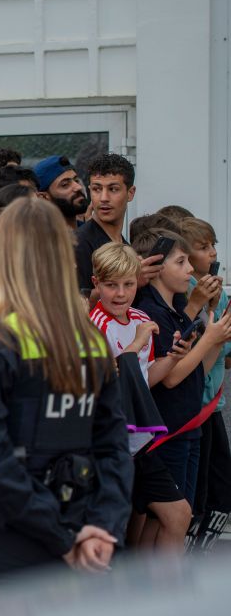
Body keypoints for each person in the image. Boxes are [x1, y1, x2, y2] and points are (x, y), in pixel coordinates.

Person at [0, 198, 132, 590]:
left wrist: (61, 538)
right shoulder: (91, 341)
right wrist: (99, 528)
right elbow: (114, 447)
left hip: (6, 536)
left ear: (3, 257)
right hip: (80, 533)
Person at [88, 242, 190, 552]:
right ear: (96, 284)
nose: (120, 293)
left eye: (128, 284)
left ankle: (162, 595)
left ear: (138, 282)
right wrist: (138, 341)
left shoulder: (139, 317)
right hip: (106, 446)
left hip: (140, 444)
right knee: (112, 536)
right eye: (111, 285)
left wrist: (172, 357)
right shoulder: (94, 325)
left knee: (178, 514)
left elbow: (143, 380)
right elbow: (113, 376)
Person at [132, 228, 231, 505]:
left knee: (183, 514)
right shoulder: (153, 313)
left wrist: (216, 340)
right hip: (168, 432)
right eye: (180, 262)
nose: (190, 269)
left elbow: (196, 370)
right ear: (156, 266)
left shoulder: (175, 310)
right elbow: (172, 378)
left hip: (188, 426)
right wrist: (208, 338)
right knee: (171, 517)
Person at [175, 217, 231, 551]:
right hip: (196, 409)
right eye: (202, 247)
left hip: (211, 405)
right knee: (198, 495)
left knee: (219, 491)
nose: (211, 253)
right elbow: (197, 362)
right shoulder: (185, 298)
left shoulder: (214, 290)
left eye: (213, 246)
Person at [74, 154, 144, 293]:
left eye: (113, 189)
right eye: (97, 189)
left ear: (130, 193)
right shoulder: (78, 244)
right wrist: (133, 281)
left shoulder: (124, 245)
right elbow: (75, 305)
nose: (104, 198)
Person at [33, 155, 89, 229]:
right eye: (65, 185)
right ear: (43, 197)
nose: (78, 187)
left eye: (76, 180)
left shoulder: (95, 233)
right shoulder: (40, 239)